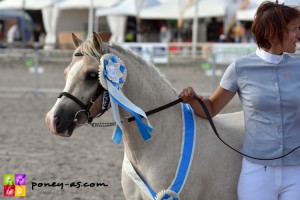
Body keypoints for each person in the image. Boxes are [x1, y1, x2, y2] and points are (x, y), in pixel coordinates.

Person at [179, 1, 300, 200]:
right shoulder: (240, 68)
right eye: (294, 29)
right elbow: (211, 108)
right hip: (257, 172)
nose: (298, 34)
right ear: (274, 32)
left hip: (297, 170)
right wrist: (192, 99)